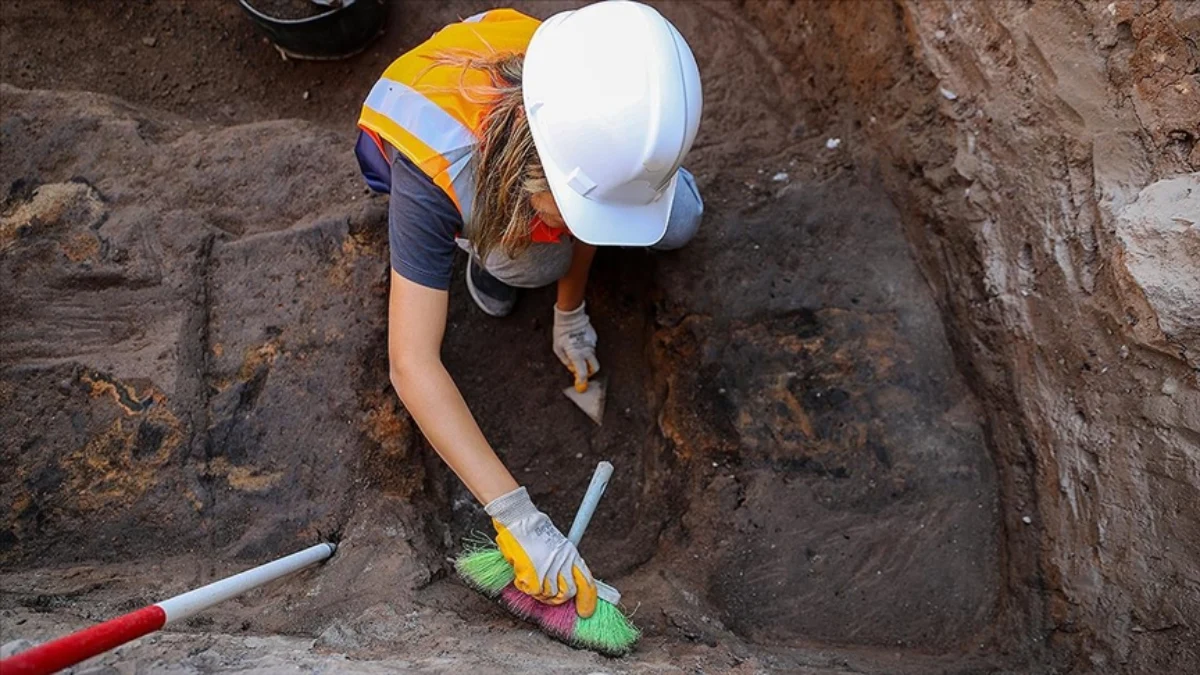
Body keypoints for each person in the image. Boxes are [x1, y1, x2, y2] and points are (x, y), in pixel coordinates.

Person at [354, 1, 702, 619]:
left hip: (555, 164)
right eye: (571, 206)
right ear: (530, 169)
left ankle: (561, 232)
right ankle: (481, 250)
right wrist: (516, 516)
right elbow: (411, 363)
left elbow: (590, 213)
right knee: (536, 261)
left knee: (680, 219)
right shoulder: (432, 172)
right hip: (452, 162)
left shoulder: (596, 93)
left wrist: (570, 312)